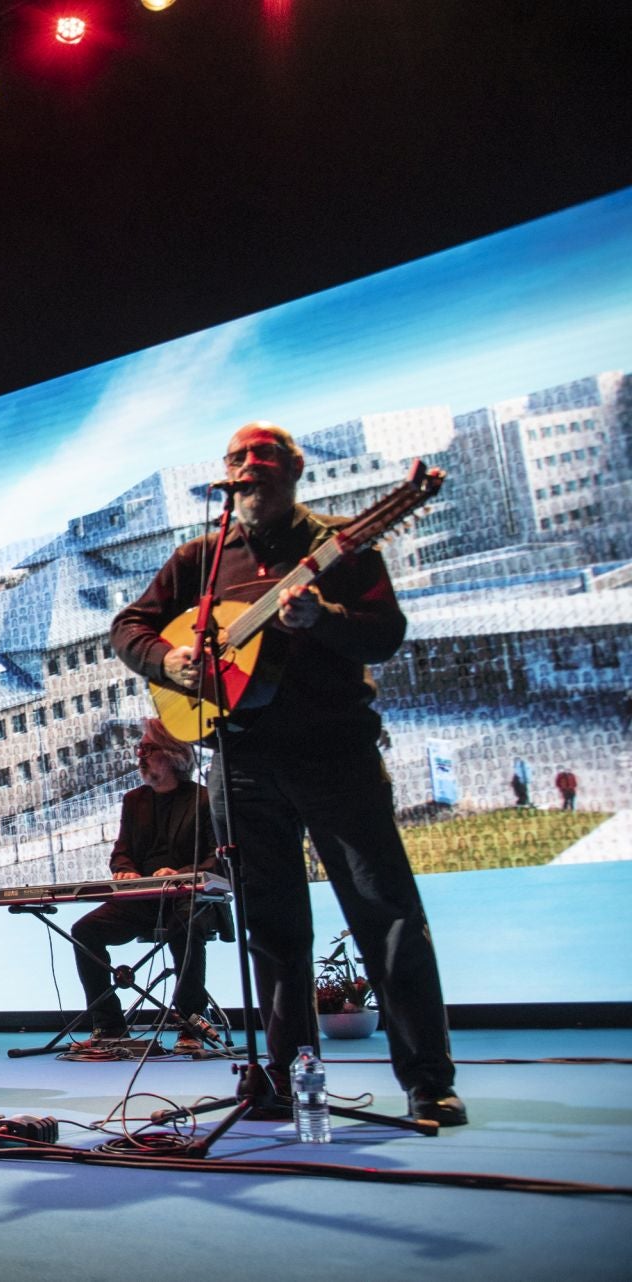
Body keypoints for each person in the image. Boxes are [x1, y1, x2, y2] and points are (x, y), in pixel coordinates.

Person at [111, 421, 465, 1126]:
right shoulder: (203, 558)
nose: (248, 468)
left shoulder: (336, 545)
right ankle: (285, 1076)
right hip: (239, 760)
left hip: (335, 754)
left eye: (263, 457)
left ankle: (428, 1080)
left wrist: (322, 617)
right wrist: (166, 662)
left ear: (294, 470)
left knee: (385, 913)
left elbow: (385, 634)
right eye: (237, 458)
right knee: (272, 930)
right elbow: (129, 626)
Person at [69, 719, 221, 1052]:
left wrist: (177, 873)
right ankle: (109, 1026)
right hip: (143, 901)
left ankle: (190, 1024)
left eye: (148, 749)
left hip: (189, 901)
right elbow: (121, 854)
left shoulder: (205, 799)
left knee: (185, 922)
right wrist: (125, 872)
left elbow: (216, 859)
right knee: (84, 931)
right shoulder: (134, 800)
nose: (140, 756)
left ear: (173, 755)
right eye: (140, 749)